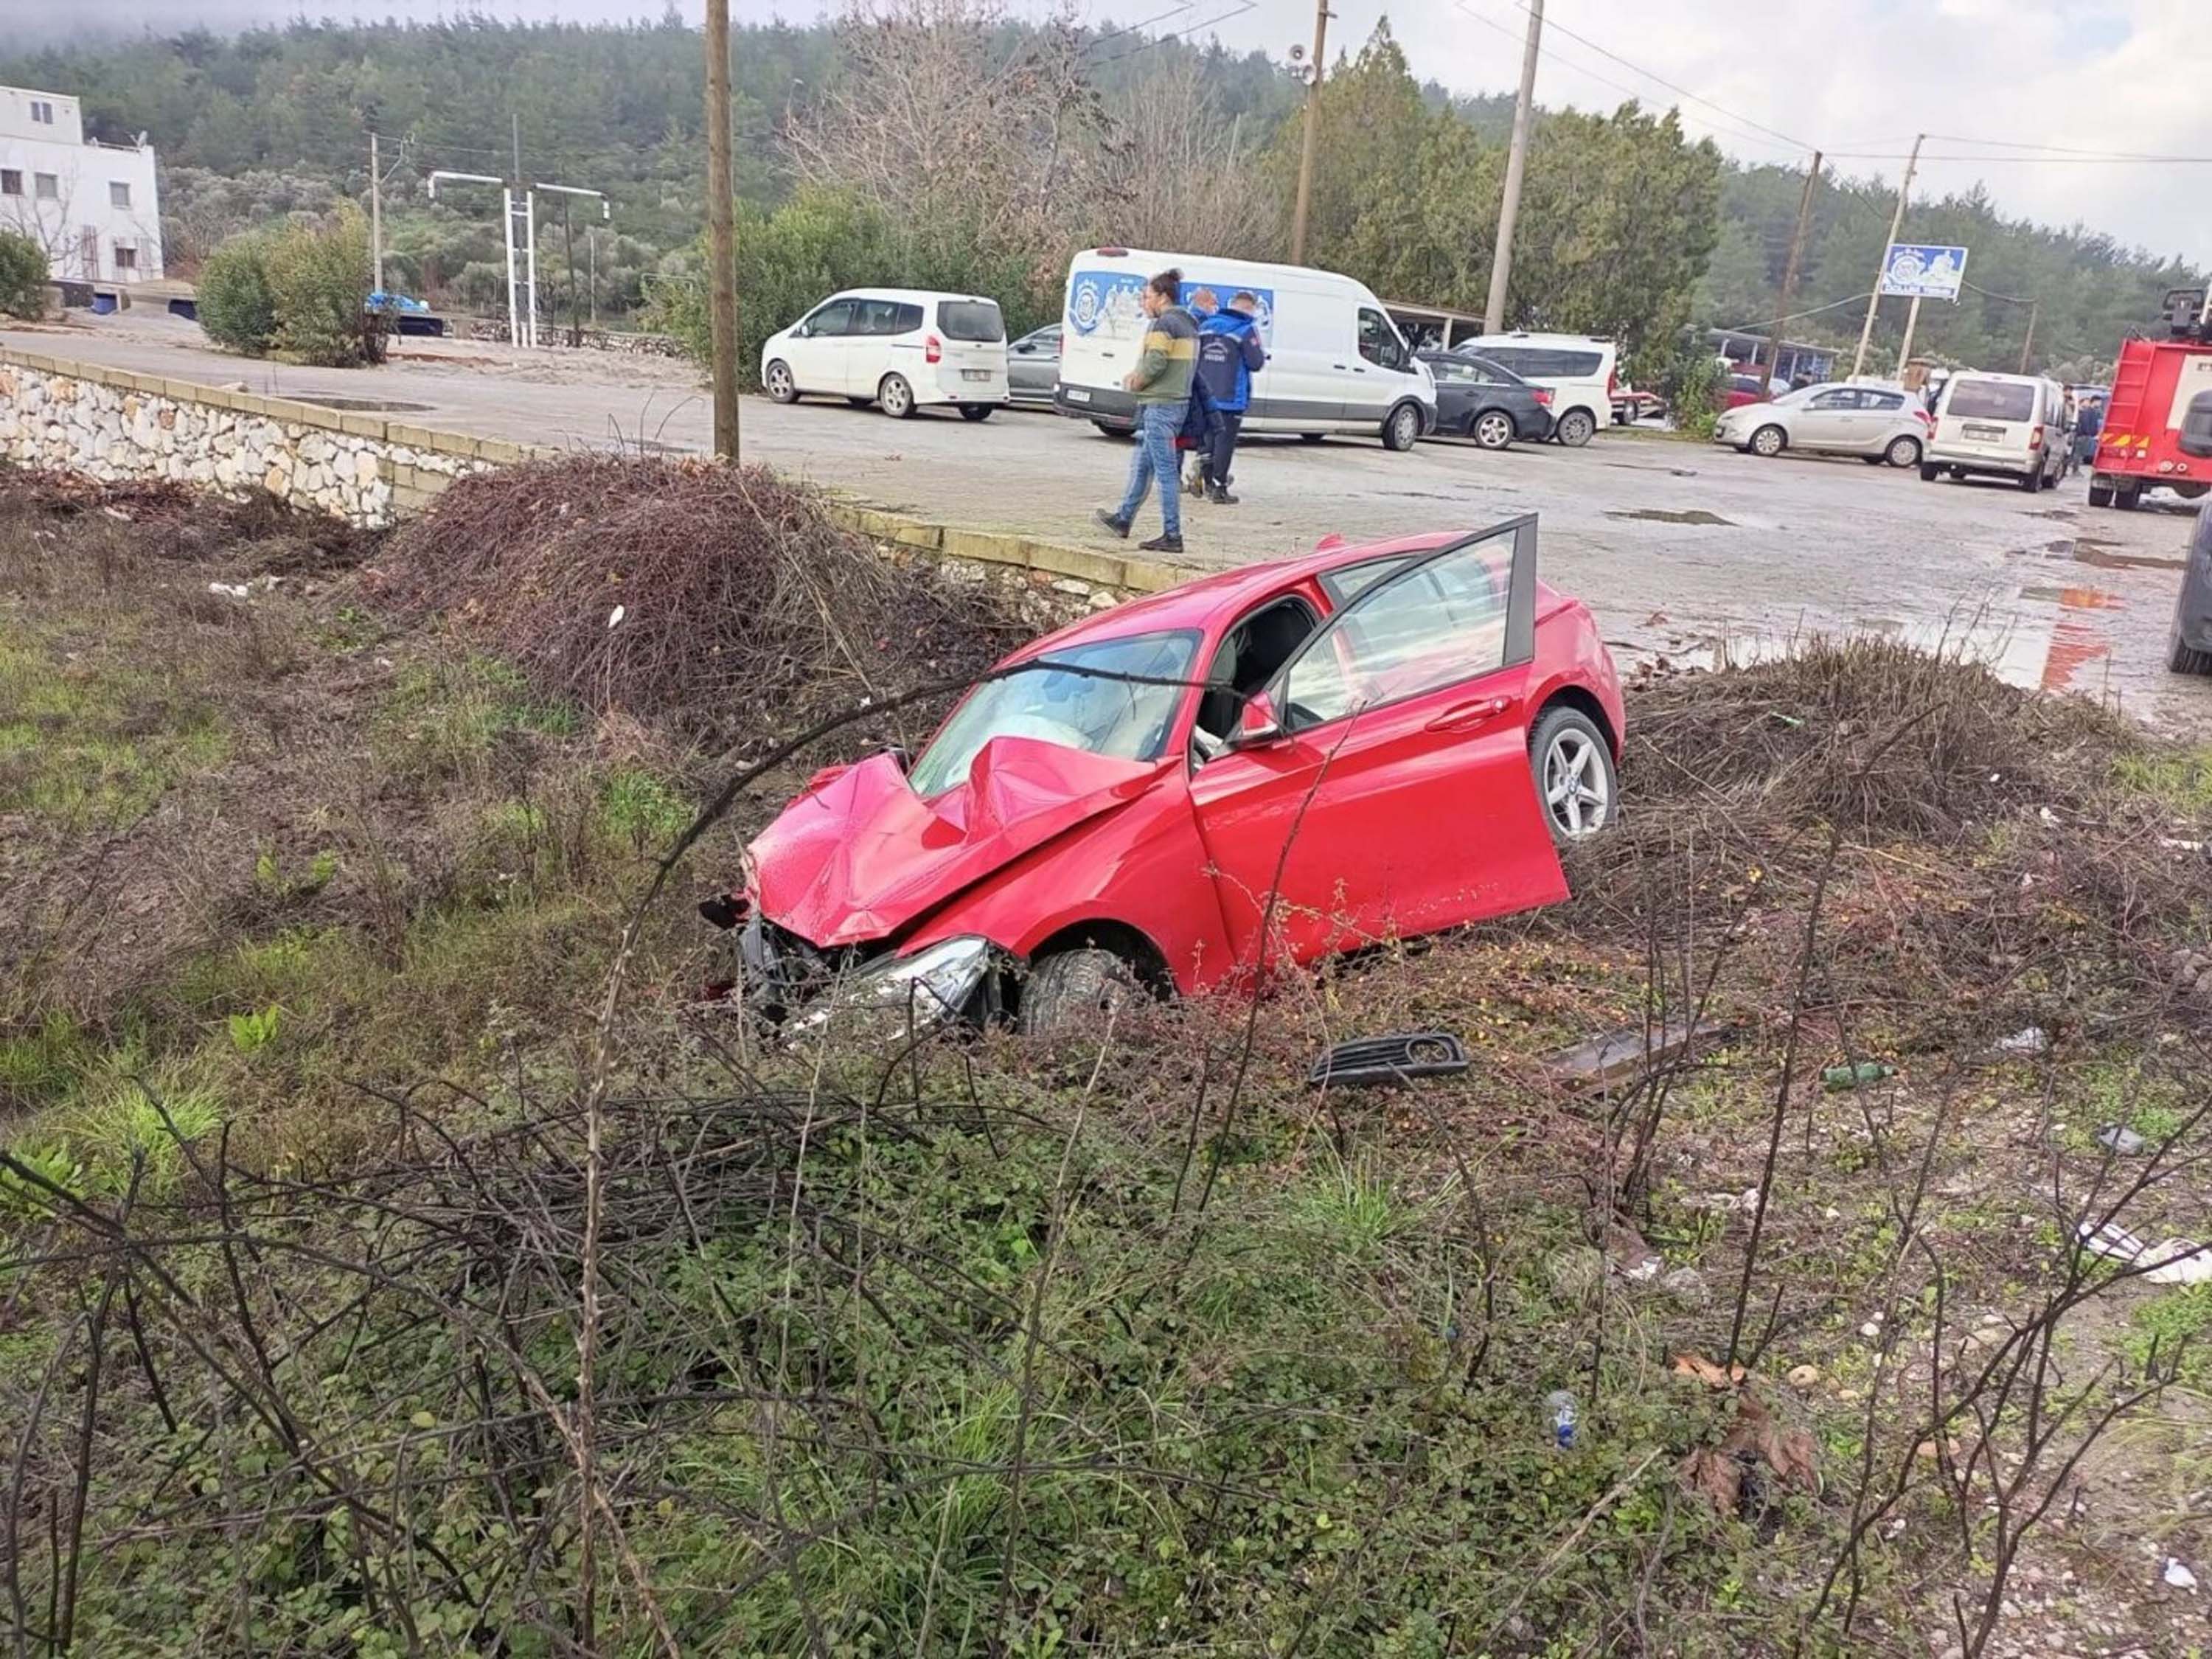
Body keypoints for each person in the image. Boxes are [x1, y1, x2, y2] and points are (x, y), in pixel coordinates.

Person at [1095, 268, 1197, 554]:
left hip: (1161, 405)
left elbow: (1155, 362)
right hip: (1174, 402)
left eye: (1146, 296)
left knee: (1165, 472)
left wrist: (1136, 379)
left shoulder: (1164, 324)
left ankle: (1172, 535)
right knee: (1141, 466)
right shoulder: (1189, 323)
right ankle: (1123, 519)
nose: (1143, 302)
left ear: (1162, 297)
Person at [1186, 290, 1267, 504]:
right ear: (1249, 308)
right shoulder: (1246, 329)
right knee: (1225, 443)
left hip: (1205, 394)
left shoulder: (1206, 326)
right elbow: (1256, 363)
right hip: (1231, 397)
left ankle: (1206, 478)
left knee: (1209, 439)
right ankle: (1219, 487)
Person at [2075, 394, 2104, 468]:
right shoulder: (2088, 412)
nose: (2100, 404)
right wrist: (2090, 435)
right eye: (2099, 402)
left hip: (2091, 436)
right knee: (2083, 454)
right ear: (2095, 401)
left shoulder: (2094, 411)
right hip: (2087, 436)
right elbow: (2086, 424)